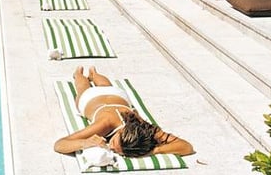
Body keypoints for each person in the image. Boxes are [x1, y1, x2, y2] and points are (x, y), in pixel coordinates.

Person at [53, 66, 194, 158]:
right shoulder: (105, 124)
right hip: (90, 98)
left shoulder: (144, 128)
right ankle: (78, 74)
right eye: (114, 143)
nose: (111, 147)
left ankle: (93, 73)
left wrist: (153, 151)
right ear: (120, 132)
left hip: (116, 94)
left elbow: (187, 147)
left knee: (105, 85)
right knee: (82, 88)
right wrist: (86, 142)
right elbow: (60, 144)